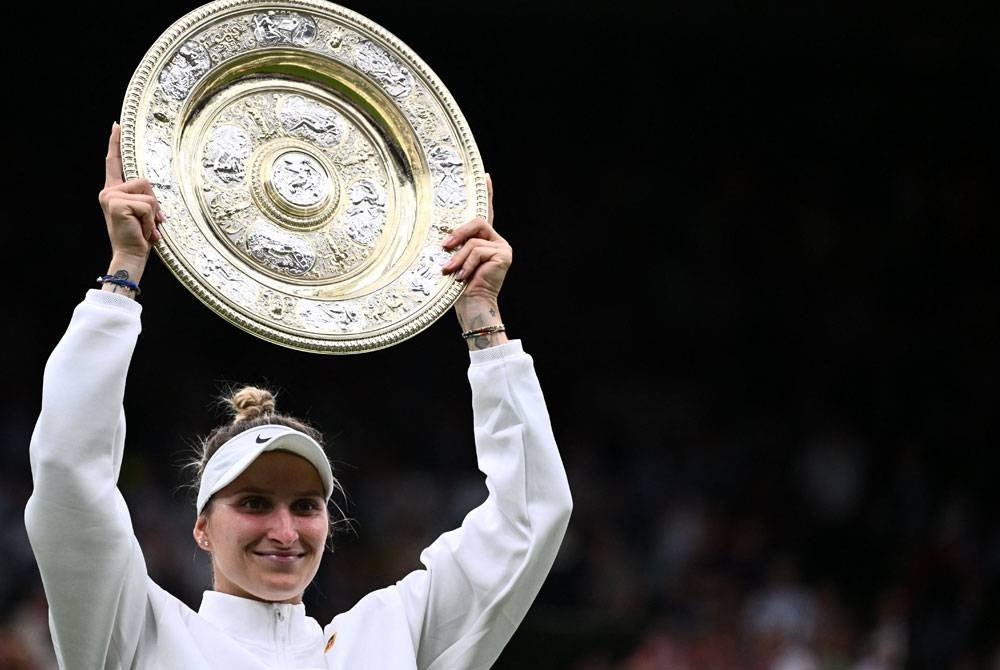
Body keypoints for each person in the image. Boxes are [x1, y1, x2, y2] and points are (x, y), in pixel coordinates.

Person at [24, 122, 572, 669]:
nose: (284, 531)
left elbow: (530, 517)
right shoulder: (137, 633)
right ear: (201, 529)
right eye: (254, 503)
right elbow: (69, 473)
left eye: (305, 506)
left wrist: (483, 318)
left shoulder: (390, 636)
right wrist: (121, 278)